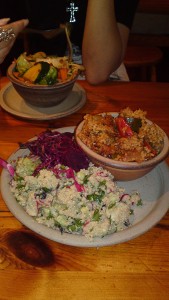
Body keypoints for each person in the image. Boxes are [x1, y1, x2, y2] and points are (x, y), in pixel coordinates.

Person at [0, 0, 139, 85]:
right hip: (31, 84)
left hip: (105, 81)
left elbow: (98, 72)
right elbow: (9, 28)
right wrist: (7, 34)